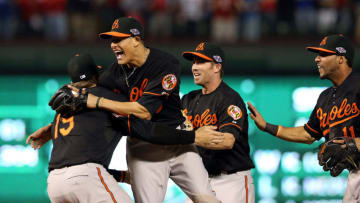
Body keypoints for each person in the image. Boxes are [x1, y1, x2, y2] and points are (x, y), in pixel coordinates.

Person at [41, 17, 220, 203]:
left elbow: (143, 111)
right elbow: (82, 88)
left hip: (178, 139)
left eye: (118, 39)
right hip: (144, 146)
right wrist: (51, 127)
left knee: (207, 199)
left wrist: (98, 101)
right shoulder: (113, 73)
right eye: (112, 40)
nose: (113, 45)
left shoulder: (165, 64)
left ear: (136, 39)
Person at [247, 34, 360, 202]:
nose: (317, 59)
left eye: (323, 54)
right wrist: (267, 127)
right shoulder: (325, 98)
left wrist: (354, 144)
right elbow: (308, 134)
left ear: (341, 59)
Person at [28, 54, 133, 203]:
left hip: (54, 184)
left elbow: (75, 165)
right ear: (96, 75)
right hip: (84, 177)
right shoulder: (104, 97)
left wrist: (123, 176)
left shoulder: (62, 108)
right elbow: (82, 169)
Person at [180, 42, 255, 203]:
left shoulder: (229, 99)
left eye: (200, 62)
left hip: (231, 181)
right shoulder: (188, 99)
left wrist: (191, 137)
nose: (194, 67)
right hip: (199, 181)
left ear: (216, 67)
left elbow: (227, 141)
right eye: (193, 62)